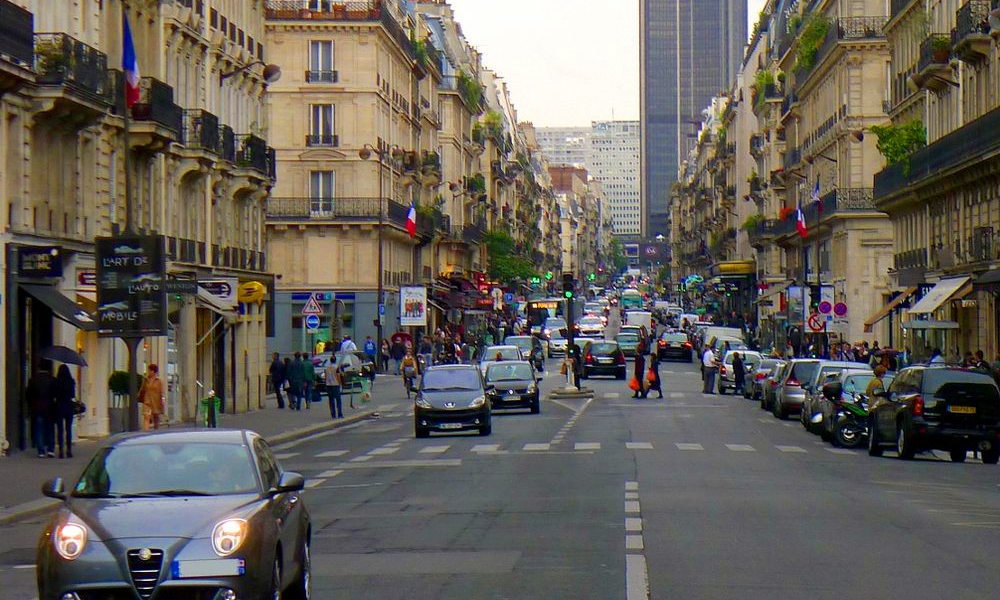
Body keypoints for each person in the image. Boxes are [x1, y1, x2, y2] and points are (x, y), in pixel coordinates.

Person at [26, 362, 56, 458]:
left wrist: (31, 405)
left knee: (39, 429)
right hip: (49, 408)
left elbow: (28, 394)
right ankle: (51, 449)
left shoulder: (33, 380)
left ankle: (41, 451)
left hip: (37, 407)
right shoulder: (52, 380)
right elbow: (55, 394)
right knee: (50, 429)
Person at [53, 364, 77, 459]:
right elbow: (72, 395)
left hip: (59, 406)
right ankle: (69, 450)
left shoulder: (56, 382)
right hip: (68, 406)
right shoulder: (71, 381)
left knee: (60, 429)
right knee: (68, 429)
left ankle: (61, 451)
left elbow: (54, 394)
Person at [139, 364, 165, 430]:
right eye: (148, 370)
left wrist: (162, 400)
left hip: (156, 401)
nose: (149, 372)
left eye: (150, 371)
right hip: (147, 401)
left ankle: (156, 431)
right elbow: (142, 389)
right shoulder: (146, 380)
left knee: (155, 417)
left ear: (154, 372)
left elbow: (162, 392)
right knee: (146, 417)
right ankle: (146, 433)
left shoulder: (159, 381)